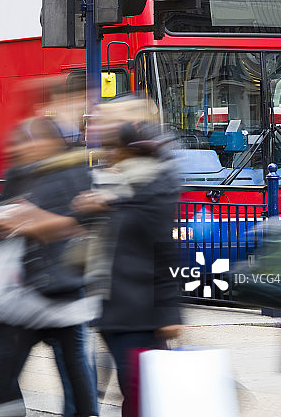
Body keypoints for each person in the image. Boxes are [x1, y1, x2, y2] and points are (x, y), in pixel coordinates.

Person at [0, 116, 98, 417]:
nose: (26, 148)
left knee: (79, 386)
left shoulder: (74, 172)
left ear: (51, 142)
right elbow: (1, 212)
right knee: (3, 382)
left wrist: (24, 221)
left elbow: (76, 224)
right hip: (28, 292)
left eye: (33, 142)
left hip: (63, 291)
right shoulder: (22, 173)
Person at [72, 100, 182, 417]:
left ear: (129, 151)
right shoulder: (118, 187)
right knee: (133, 393)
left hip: (139, 311)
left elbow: (165, 252)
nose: (107, 155)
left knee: (141, 396)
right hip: (113, 306)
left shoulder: (153, 189)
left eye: (112, 148)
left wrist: (169, 314)